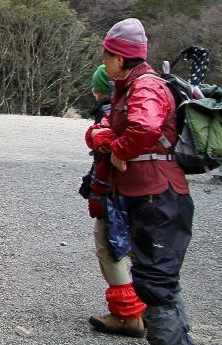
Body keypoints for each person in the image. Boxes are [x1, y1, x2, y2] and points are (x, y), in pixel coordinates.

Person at [86, 19, 198, 345]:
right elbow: (101, 128)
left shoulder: (146, 87)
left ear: (120, 58)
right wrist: (105, 139)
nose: (103, 64)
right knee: (159, 282)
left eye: (106, 57)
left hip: (157, 197)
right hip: (149, 196)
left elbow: (145, 128)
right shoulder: (128, 88)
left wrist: (119, 149)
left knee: (154, 284)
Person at [84, 64, 147, 337]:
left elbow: (109, 152)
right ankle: (142, 308)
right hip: (141, 189)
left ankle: (127, 314)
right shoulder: (132, 103)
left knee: (110, 247)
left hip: (116, 190)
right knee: (132, 247)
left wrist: (103, 139)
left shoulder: (110, 110)